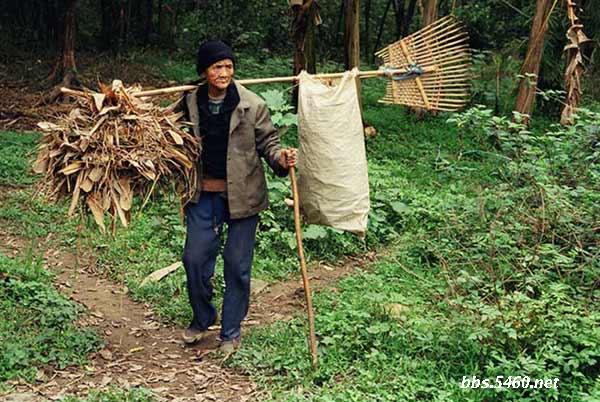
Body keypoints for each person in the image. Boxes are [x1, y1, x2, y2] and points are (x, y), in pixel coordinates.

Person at [178, 40, 297, 354]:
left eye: (229, 66)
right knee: (194, 259)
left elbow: (269, 143)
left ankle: (230, 331)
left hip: (243, 196)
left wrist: (281, 159)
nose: (224, 72)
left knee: (237, 265)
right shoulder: (189, 102)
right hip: (202, 194)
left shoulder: (252, 104)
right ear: (204, 71)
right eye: (217, 67)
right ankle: (203, 317)